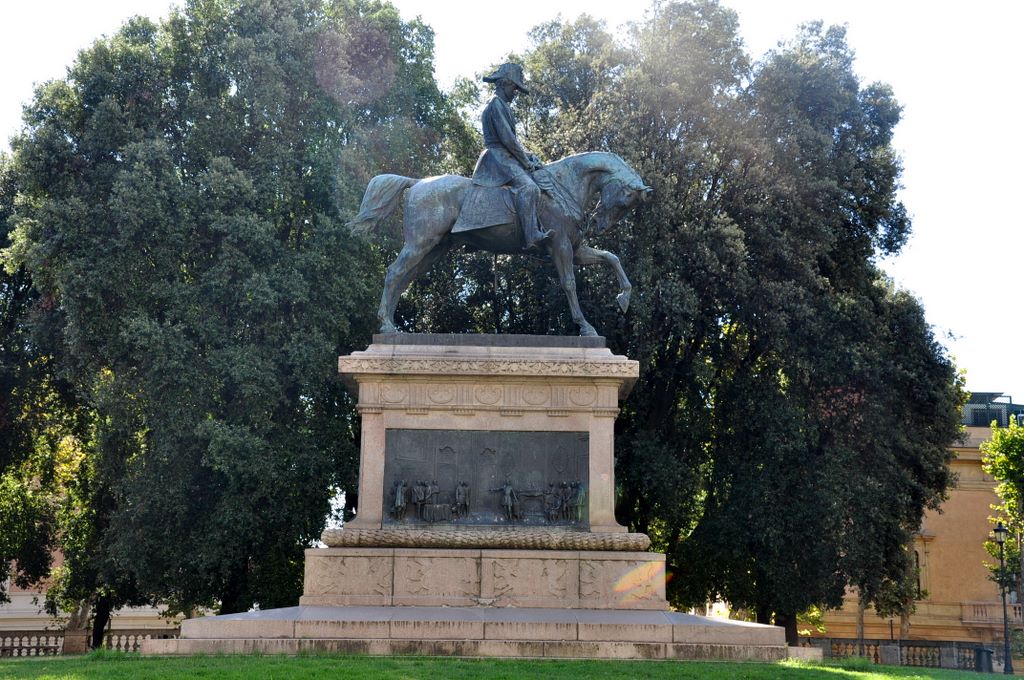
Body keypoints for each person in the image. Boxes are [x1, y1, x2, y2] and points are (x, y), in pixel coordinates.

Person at [472, 63, 553, 251]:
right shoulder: (495, 104)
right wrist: (525, 161)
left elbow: (512, 142)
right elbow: (508, 140)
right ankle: (531, 234)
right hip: (497, 158)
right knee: (530, 187)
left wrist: (529, 156)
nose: (515, 92)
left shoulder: (503, 106)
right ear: (504, 83)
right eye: (514, 87)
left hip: (506, 156)